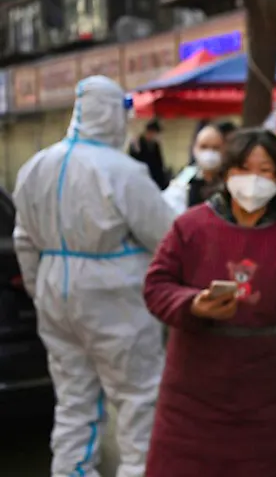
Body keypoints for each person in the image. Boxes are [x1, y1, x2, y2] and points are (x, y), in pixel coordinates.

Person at [143, 128, 276, 477]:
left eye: (265, 170)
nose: (253, 180)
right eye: (243, 168)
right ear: (226, 173)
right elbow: (156, 286)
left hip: (271, 398)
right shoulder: (190, 227)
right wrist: (192, 304)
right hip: (192, 395)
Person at [12, 75, 176, 477]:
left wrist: (40, 291)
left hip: (54, 290)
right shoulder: (123, 171)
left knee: (74, 400)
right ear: (113, 115)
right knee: (138, 398)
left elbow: (23, 240)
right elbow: (166, 237)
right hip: (113, 294)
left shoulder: (35, 166)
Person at [162, 123, 225, 214]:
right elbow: (171, 202)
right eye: (204, 147)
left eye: (215, 148)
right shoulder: (186, 175)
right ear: (195, 148)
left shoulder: (229, 177)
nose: (209, 152)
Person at [129, 118, 169, 189]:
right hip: (140, 179)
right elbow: (133, 162)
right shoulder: (137, 144)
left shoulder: (155, 145)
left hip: (154, 181)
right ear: (150, 131)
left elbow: (159, 165)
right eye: (155, 133)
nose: (156, 136)